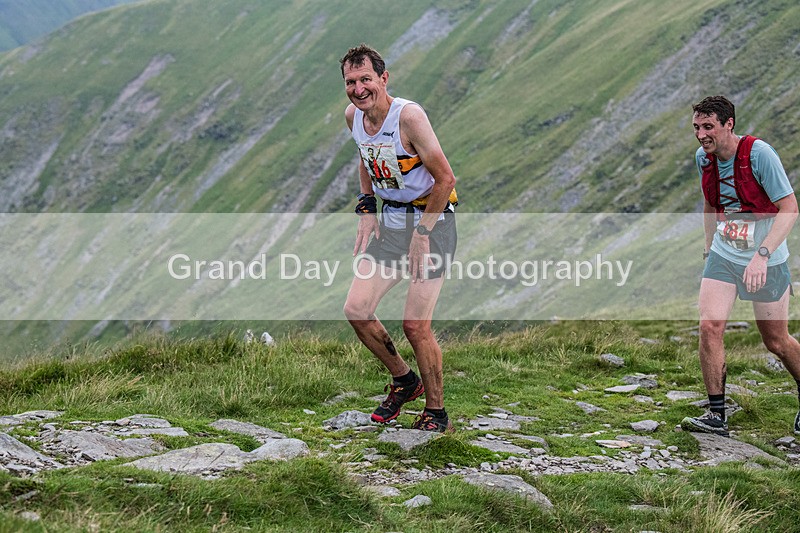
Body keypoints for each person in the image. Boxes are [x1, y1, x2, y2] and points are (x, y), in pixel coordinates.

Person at [340, 44, 458, 433]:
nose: (358, 90)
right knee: (357, 309)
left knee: (415, 325)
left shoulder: (409, 117)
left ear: (383, 79)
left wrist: (422, 234)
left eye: (366, 80)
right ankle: (405, 380)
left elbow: (446, 180)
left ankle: (436, 412)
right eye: (351, 82)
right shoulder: (353, 117)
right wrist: (366, 208)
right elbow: (365, 156)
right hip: (390, 225)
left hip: (431, 225)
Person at [681, 95, 800, 437]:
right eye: (696, 128)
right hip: (725, 253)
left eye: (708, 127)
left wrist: (762, 255)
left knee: (776, 341)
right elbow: (709, 201)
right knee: (710, 326)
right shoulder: (703, 160)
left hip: (767, 257)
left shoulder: (759, 154)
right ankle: (717, 416)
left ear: (728, 124)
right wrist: (709, 250)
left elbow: (789, 208)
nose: (701, 135)